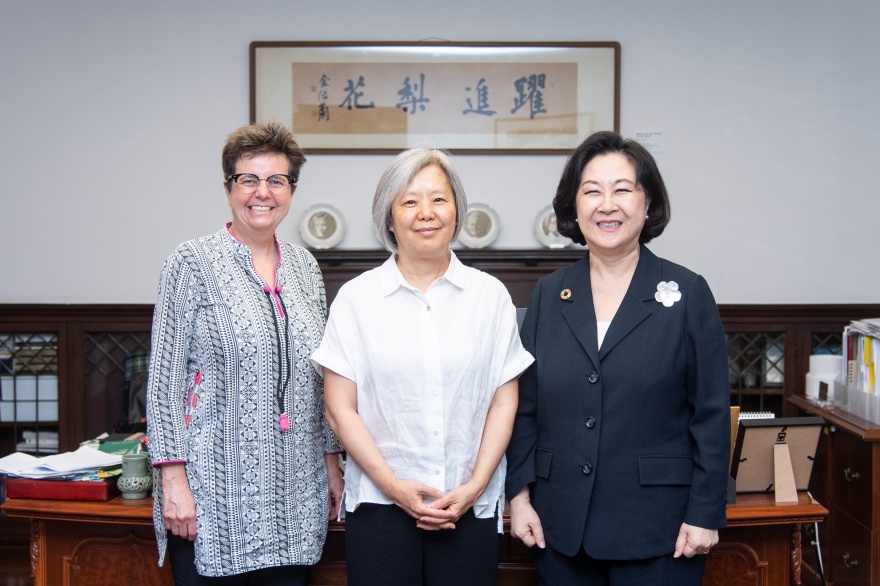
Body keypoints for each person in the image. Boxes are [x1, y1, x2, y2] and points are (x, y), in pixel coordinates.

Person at [506, 131, 729, 585]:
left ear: (648, 205)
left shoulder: (687, 293)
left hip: (661, 531)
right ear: (574, 207)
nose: (607, 204)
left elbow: (710, 412)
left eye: (622, 189)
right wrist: (519, 495)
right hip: (560, 527)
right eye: (591, 191)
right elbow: (524, 407)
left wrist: (706, 511)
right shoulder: (551, 294)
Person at [311, 146, 534, 586]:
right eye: (410, 201)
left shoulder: (490, 297)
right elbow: (339, 408)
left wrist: (475, 485)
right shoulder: (357, 299)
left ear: (456, 210)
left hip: (467, 505)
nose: (426, 213)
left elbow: (504, 401)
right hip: (378, 506)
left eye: (439, 199)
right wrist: (394, 486)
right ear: (389, 218)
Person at [145, 121, 344, 585]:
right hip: (212, 491)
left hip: (297, 493)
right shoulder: (191, 262)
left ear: (291, 189)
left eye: (276, 180)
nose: (262, 192)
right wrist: (173, 482)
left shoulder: (305, 267)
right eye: (248, 179)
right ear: (228, 187)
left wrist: (331, 464)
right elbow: (164, 382)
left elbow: (321, 380)